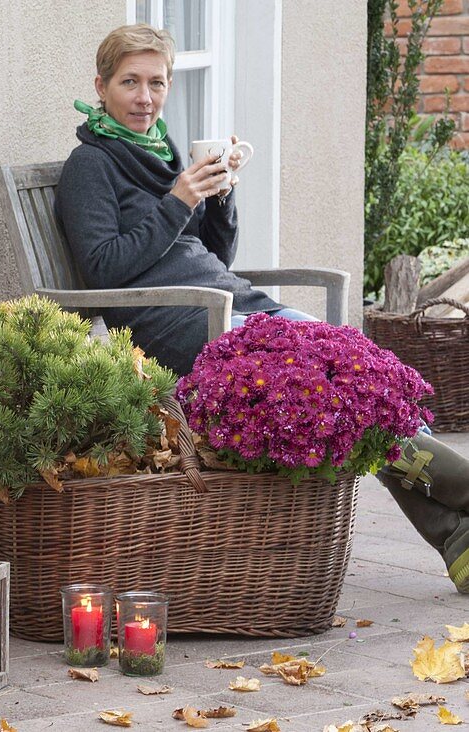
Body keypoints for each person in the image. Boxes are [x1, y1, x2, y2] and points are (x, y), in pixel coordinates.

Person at [54, 22, 469, 593]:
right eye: (130, 82)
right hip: (184, 324)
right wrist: (179, 199)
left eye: (157, 82)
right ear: (100, 86)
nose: (144, 98)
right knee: (334, 382)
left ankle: (455, 532)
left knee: (359, 366)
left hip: (233, 305)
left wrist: (220, 201)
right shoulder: (91, 166)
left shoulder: (163, 151)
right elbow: (103, 267)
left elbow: (212, 254)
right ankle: (461, 496)